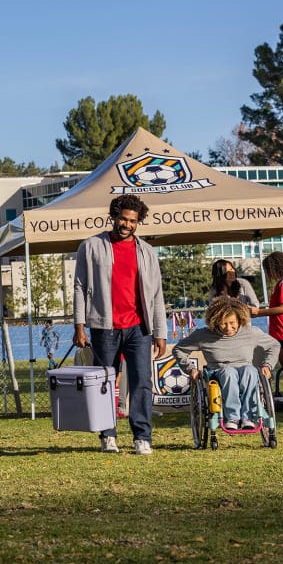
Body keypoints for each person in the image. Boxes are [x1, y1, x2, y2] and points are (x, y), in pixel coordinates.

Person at [72, 195, 167, 455]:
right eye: (123, 218)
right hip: (104, 327)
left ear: (139, 222)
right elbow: (80, 287)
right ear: (114, 216)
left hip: (139, 327)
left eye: (133, 221)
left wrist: (160, 332)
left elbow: (157, 294)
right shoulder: (91, 246)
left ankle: (142, 437)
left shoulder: (147, 251)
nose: (127, 224)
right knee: (105, 382)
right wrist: (79, 325)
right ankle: (108, 435)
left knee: (142, 382)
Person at [172, 297, 279, 429]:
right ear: (215, 321)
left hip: (245, 369)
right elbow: (178, 349)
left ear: (240, 319)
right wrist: (190, 368)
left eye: (232, 322)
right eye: (223, 323)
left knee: (250, 371)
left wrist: (267, 365)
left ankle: (248, 416)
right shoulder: (203, 335)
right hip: (218, 373)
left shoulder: (251, 333)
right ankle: (232, 417)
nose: (228, 328)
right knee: (229, 373)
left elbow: (274, 345)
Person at [250, 252, 283, 390]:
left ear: (275, 267)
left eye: (267, 270)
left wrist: (259, 312)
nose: (267, 274)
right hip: (281, 328)